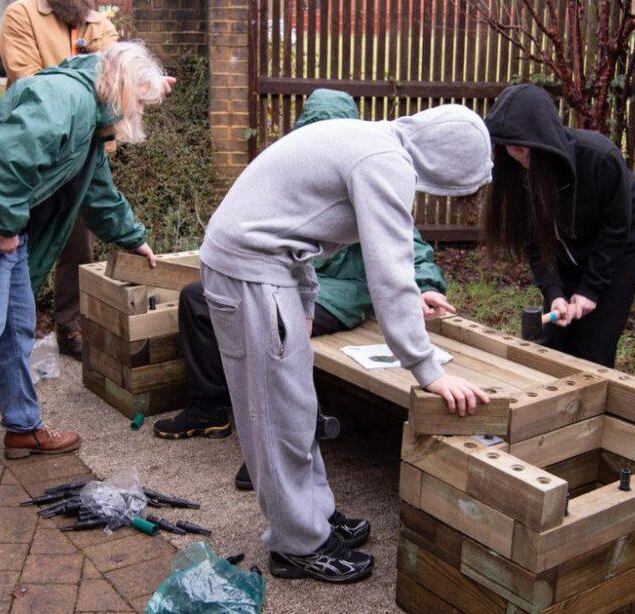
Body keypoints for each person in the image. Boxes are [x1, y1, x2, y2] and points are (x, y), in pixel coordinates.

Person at [198, 104, 494, 583]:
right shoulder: (383, 162)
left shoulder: (373, 141)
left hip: (269, 269)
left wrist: (307, 297)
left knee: (297, 404)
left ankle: (312, 514)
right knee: (276, 413)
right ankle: (297, 545)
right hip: (250, 274)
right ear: (450, 166)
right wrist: (427, 369)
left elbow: (301, 226)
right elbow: (391, 270)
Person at [0, 42, 170, 518]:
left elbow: (99, 192)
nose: (140, 113)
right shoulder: (64, 99)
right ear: (124, 86)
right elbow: (9, 160)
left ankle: (23, 427)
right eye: (142, 102)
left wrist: (133, 239)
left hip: (7, 230)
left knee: (17, 331)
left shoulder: (91, 116)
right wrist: (6, 228)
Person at [153, 89, 456, 492]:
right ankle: (211, 407)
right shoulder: (307, 164)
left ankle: (279, 455)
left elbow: (404, 249)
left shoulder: (373, 168)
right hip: (293, 278)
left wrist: (427, 287)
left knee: (276, 327)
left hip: (345, 292)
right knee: (197, 296)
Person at [482, 84, 635, 368]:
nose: (516, 157)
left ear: (542, 140)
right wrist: (554, 293)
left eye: (521, 149)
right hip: (570, 239)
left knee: (594, 342)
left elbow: (615, 230)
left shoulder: (600, 157)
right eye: (509, 149)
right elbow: (535, 243)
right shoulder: (520, 175)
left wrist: (590, 289)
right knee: (557, 335)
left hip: (623, 238)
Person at [0, 0, 120, 358]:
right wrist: (87, 94)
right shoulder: (22, 14)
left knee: (77, 246)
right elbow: (28, 82)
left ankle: (69, 326)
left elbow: (116, 79)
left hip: (83, 152)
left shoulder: (97, 22)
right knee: (20, 247)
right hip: (34, 153)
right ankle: (1, 340)